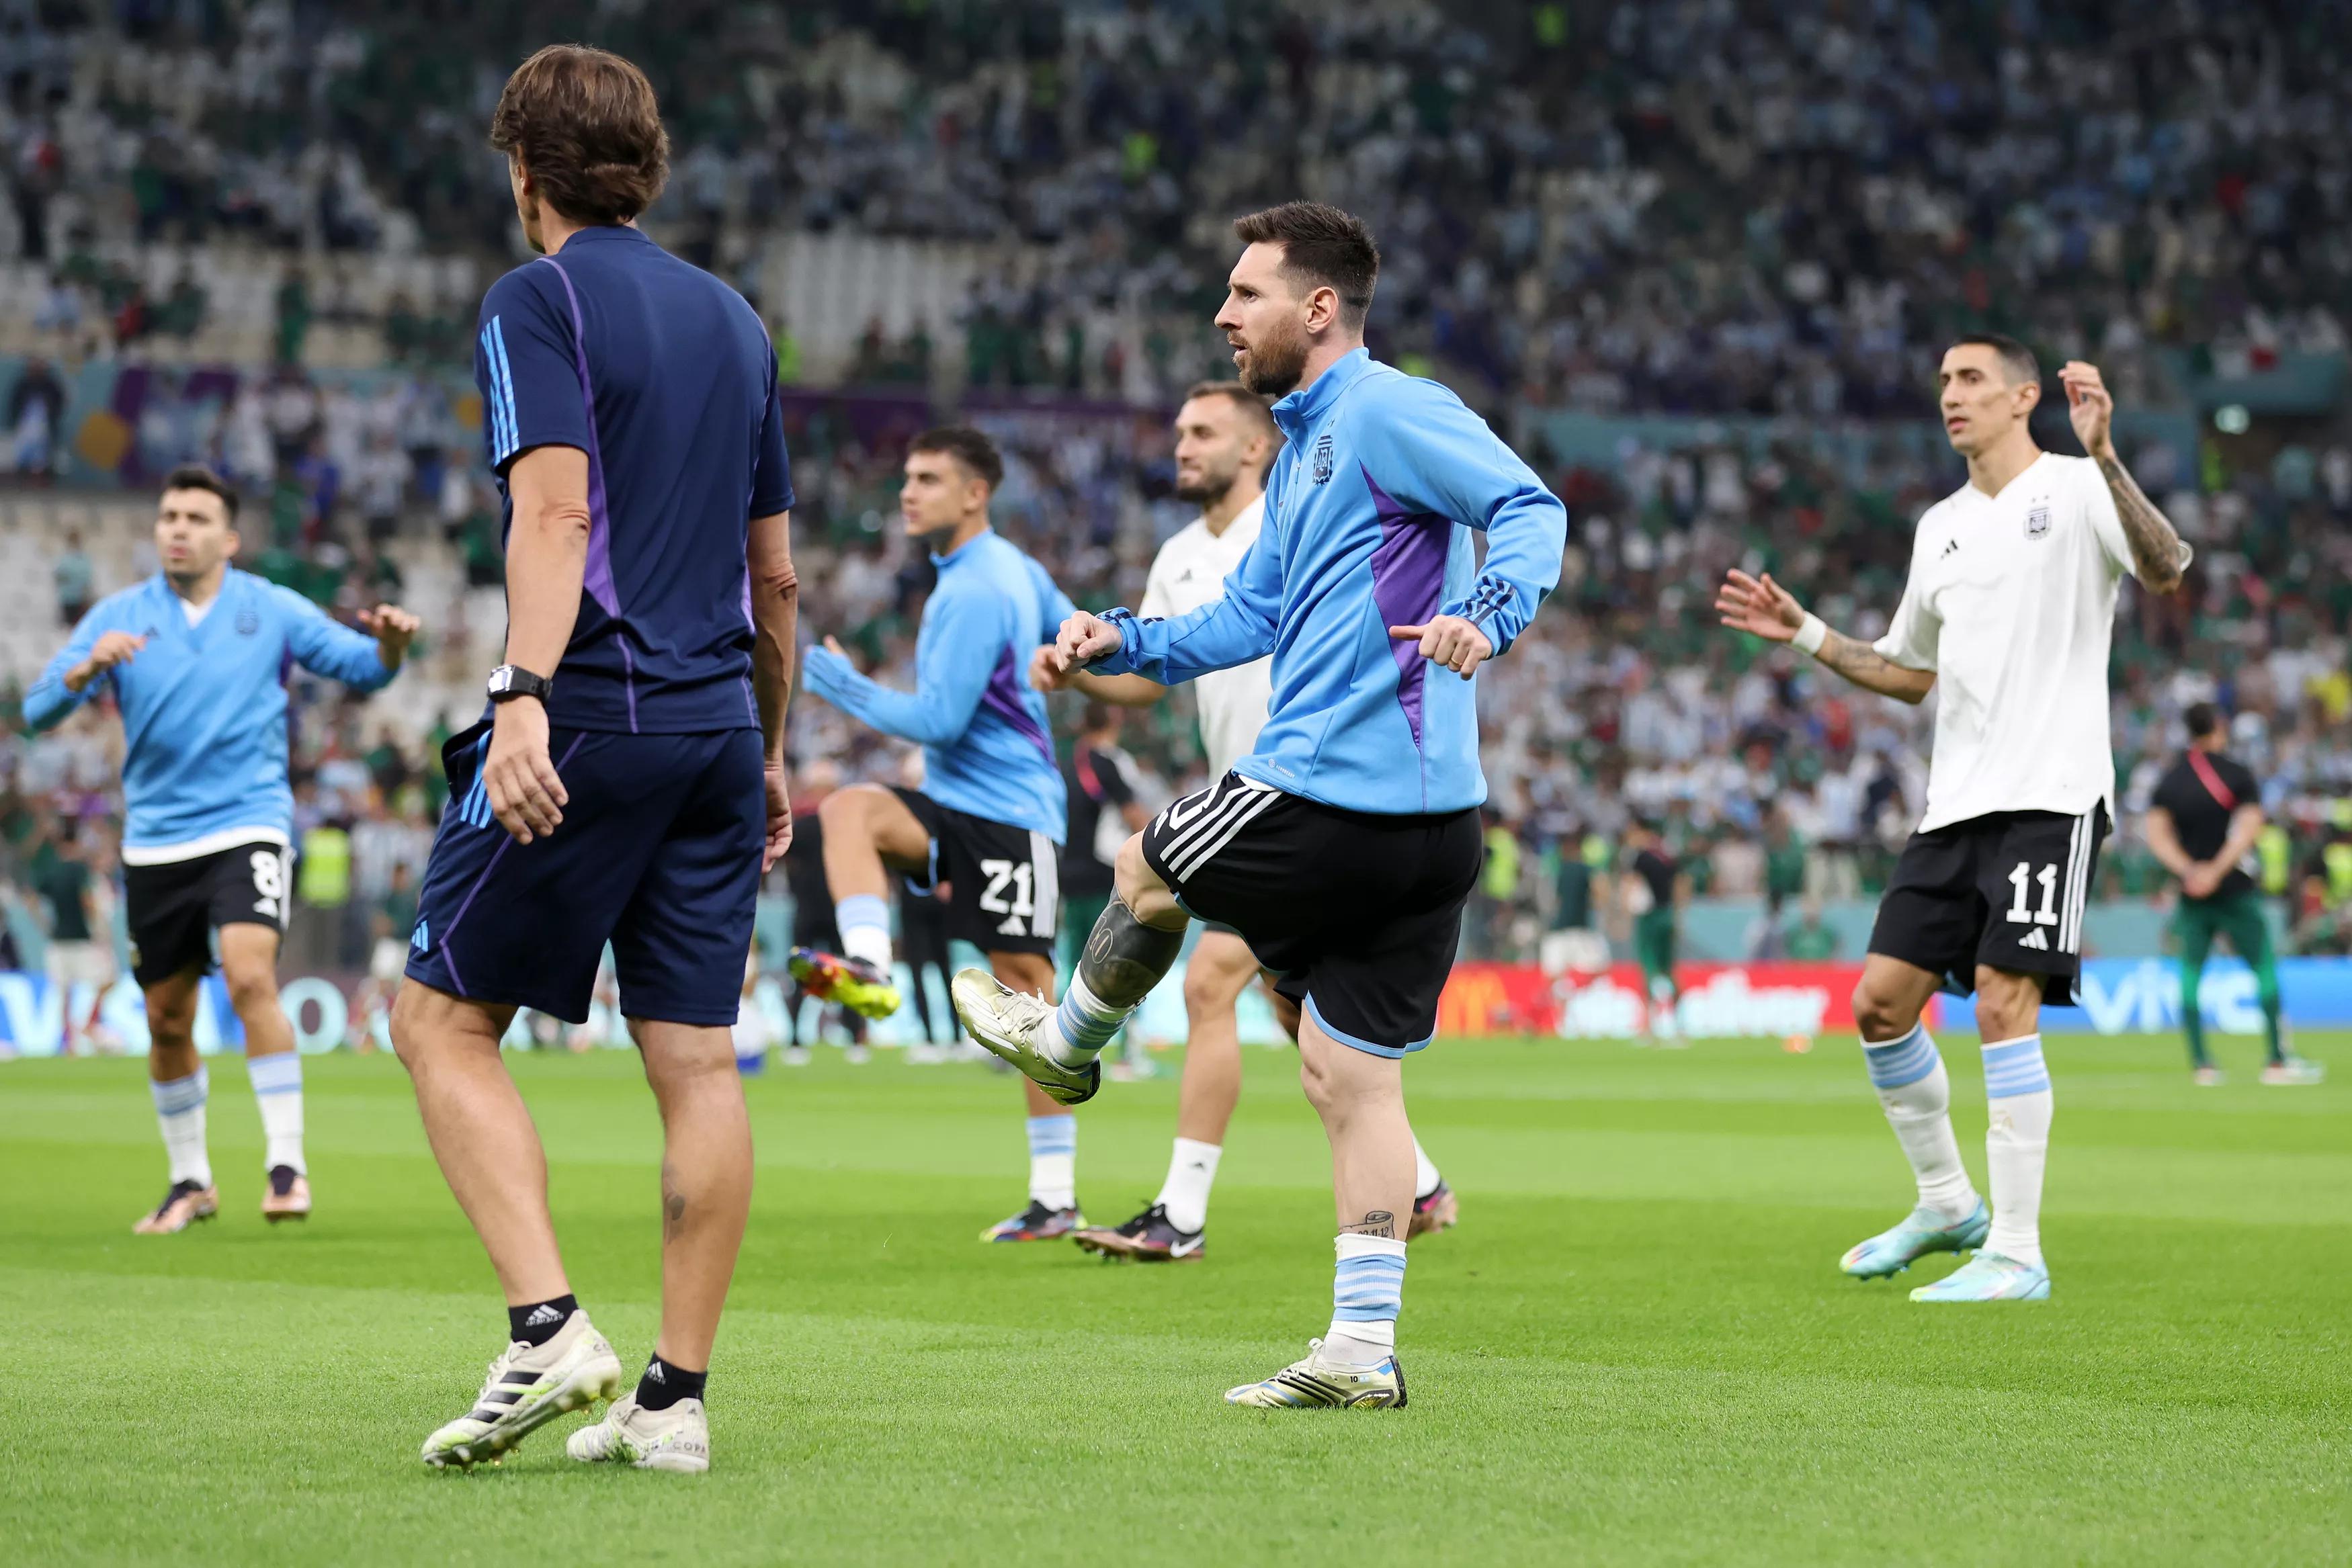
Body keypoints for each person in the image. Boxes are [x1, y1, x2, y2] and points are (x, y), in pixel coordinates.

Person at [960, 202, 1564, 1403]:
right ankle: (1362, 1350)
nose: (1225, 316)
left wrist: (1487, 616)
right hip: (1435, 824)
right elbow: (1250, 618)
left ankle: (1068, 1043)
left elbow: (1530, 505)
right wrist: (1118, 635)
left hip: (1330, 787)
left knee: (1146, 862)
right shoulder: (1303, 450)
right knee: (1351, 1075)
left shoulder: (1391, 410)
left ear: (1319, 307)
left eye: (1246, 295)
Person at [391, 44, 798, 1474]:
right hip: (714, 730)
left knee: (438, 1021)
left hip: (595, 714)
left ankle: (547, 1327)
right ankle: (676, 1406)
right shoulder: (738, 322)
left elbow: (557, 519)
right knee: (695, 1062)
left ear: (523, 169)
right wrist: (768, 751)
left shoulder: (537, 297)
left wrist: (518, 697)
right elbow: (777, 579)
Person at [1716, 335, 2190, 1302]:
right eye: (1942, 382)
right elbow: (1909, 672)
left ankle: (2016, 1249)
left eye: (1970, 379)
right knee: (1880, 1003)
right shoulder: (1940, 527)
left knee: (2004, 1003)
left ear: (2026, 397)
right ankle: (1948, 1202)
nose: (1950, 396)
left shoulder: (2076, 485)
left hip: (2050, 793)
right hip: (1956, 802)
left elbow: (2169, 565)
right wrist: (1804, 632)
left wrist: (2104, 451)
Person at [1051, 380, 1460, 1262]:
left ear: (1254, 448)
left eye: (1204, 431)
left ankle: (1178, 1206)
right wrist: (1086, 667)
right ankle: (1419, 1184)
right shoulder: (1176, 555)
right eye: (1179, 430)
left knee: (1208, 986)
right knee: (1304, 1019)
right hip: (1241, 799)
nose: (1183, 445)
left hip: (1305, 803)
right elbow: (1157, 668)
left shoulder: (1304, 521)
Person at [26, 463, 417, 1230]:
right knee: (167, 1017)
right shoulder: (120, 615)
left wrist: (395, 650)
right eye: (169, 515)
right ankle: (190, 1181)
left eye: (196, 518)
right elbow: (39, 709)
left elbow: (361, 667)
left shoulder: (268, 608)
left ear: (229, 539)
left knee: (247, 976)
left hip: (248, 822)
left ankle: (286, 1165)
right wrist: (87, 668)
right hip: (156, 842)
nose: (177, 528)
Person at [798, 426, 1085, 1243]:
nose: (907, 492)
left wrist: (843, 685)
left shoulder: (979, 587)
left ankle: (1056, 1193)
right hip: (954, 801)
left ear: (974, 494)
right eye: (906, 477)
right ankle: (869, 966)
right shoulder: (1011, 572)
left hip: (1010, 814)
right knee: (849, 809)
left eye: (927, 479)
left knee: (1027, 993)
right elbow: (1077, 633)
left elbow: (940, 719)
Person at [2144, 702, 2321, 1086]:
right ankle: (2276, 1060)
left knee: (2190, 974)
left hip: (2192, 894)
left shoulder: (2170, 781)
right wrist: (2216, 870)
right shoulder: (2237, 776)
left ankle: (2202, 1065)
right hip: (2236, 890)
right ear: (2219, 728)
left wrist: (2190, 871)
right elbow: (2248, 830)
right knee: (2263, 968)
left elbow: (2157, 836)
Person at [34, 824, 113, 1053]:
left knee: (64, 993)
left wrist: (44, 924)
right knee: (107, 979)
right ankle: (89, 1024)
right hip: (82, 939)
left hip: (58, 940)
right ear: (76, 844)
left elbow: (32, 896)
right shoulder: (80, 871)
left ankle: (70, 1045)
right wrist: (100, 930)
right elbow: (87, 899)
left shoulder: (50, 870)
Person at [1621, 818, 1687, 1043]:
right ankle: (1680, 1027)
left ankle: (1648, 1027)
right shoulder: (1669, 857)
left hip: (1649, 918)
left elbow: (1632, 884)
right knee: (1669, 970)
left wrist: (1625, 915)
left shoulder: (1641, 857)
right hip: (1667, 916)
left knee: (1648, 969)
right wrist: (1677, 916)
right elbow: (1681, 886)